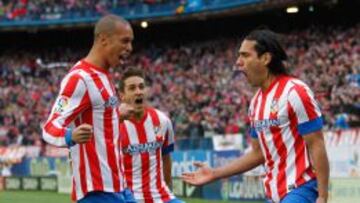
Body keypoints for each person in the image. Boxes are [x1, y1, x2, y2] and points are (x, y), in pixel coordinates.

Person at [182, 29, 329, 203]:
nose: (238, 62)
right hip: (274, 194)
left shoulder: (295, 92)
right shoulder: (255, 104)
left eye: (245, 55)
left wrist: (322, 196)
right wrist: (215, 173)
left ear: (266, 58)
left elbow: (316, 144)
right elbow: (257, 154)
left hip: (301, 189)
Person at [42, 14, 135, 203]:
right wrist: (70, 136)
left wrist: (117, 114)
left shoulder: (105, 76)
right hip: (96, 190)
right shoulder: (80, 78)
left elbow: (98, 118)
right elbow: (50, 127)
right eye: (125, 41)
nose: (130, 48)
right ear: (103, 39)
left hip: (119, 185)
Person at [118, 68, 183, 203]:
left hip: (161, 196)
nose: (138, 91)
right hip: (128, 198)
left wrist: (168, 188)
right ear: (122, 95)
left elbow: (166, 157)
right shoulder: (114, 126)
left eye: (141, 87)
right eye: (132, 88)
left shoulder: (162, 120)